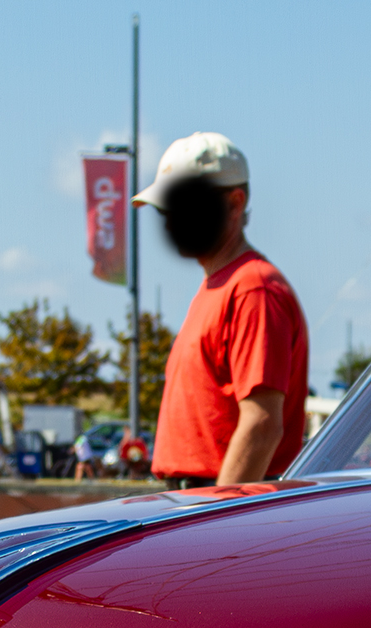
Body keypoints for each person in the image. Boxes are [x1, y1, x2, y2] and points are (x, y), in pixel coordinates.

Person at [134, 132, 310, 488]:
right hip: (202, 502)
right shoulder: (224, 284)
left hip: (216, 506)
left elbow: (262, 423)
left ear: (234, 203)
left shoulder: (252, 288)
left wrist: (213, 521)